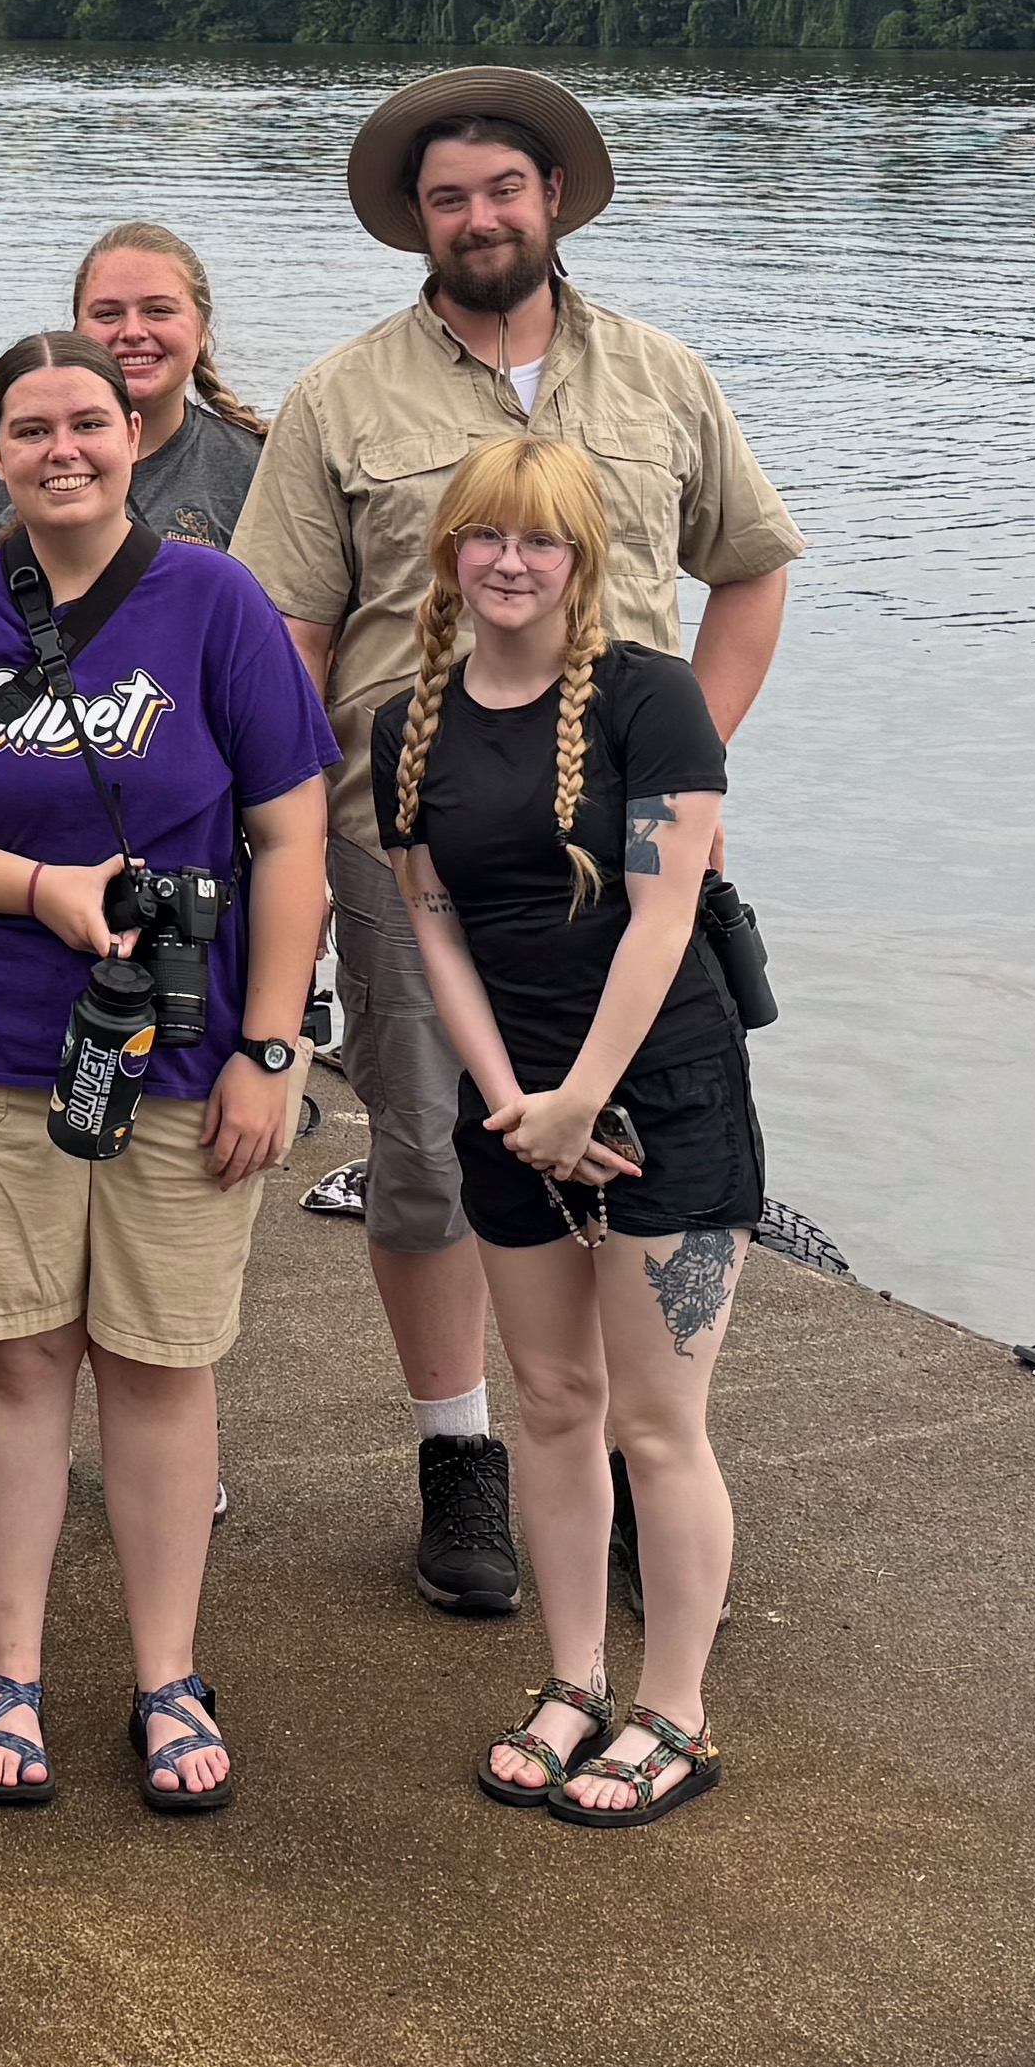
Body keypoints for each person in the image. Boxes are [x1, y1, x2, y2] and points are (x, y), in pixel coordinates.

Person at [232, 70, 799, 1622]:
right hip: (412, 846)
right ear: (416, 226)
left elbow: (749, 570)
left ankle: (631, 1454)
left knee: (644, 1143)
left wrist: (691, 760)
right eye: (446, 200)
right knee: (433, 1154)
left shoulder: (662, 376)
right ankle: (460, 1448)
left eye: (501, 190)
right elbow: (283, 632)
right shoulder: (343, 398)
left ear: (553, 196)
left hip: (630, 858)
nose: (478, 219)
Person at [0, 334, 332, 1816]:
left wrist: (271, 1048)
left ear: (135, 432)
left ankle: (169, 1673)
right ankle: (12, 1668)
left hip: (184, 1047)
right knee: (18, 1351)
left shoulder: (214, 600)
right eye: (31, 428)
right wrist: (34, 888)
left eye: (89, 424)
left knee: (165, 1363)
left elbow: (290, 836)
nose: (64, 450)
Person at [378, 436, 757, 1828]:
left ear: (583, 558)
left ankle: (677, 1710)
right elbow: (432, 923)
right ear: (452, 555)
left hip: (658, 1097)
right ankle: (573, 1678)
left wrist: (587, 1096)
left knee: (659, 1425)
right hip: (514, 1111)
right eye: (486, 538)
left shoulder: (653, 702)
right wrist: (508, 1103)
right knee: (551, 1405)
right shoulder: (409, 717)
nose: (511, 562)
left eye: (541, 541)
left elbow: (665, 918)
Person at [0, 221, 269, 581]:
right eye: (108, 314)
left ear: (202, 329)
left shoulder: (252, 466)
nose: (133, 331)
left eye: (158, 311)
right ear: (77, 329)